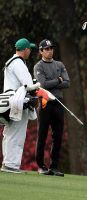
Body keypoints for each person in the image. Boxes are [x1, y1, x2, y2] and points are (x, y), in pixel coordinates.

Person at [33, 39, 70, 177]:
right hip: (44, 103)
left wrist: (54, 82)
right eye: (46, 49)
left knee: (58, 136)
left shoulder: (59, 64)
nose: (49, 51)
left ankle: (54, 166)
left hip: (58, 103)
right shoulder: (38, 66)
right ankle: (41, 166)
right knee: (42, 134)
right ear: (41, 51)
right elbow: (42, 84)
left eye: (51, 48)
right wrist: (58, 80)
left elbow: (67, 83)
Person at [1, 38, 36, 173]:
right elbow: (28, 84)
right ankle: (11, 165)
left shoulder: (12, 61)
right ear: (25, 49)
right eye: (29, 49)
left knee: (10, 133)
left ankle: (8, 163)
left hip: (11, 101)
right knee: (17, 133)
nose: (30, 51)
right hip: (18, 102)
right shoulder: (19, 63)